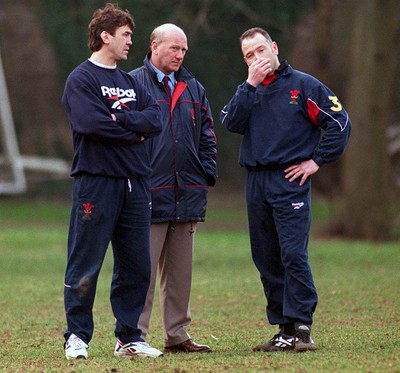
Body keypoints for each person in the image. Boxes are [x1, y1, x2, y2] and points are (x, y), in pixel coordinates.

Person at [220, 27, 351, 353]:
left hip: (289, 181)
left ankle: (302, 326)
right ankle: (284, 328)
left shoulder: (303, 86)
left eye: (260, 50)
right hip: (256, 181)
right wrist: (249, 84)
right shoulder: (249, 90)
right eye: (248, 56)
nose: (256, 59)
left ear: (274, 47)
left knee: (292, 253)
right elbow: (230, 122)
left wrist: (316, 161)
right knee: (265, 256)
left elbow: (339, 123)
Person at [61, 3, 164, 360]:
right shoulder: (82, 79)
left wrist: (124, 120)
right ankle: (77, 336)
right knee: (85, 260)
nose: (130, 43)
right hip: (96, 183)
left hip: (135, 184)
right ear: (105, 36)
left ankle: (128, 337)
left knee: (137, 263)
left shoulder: (131, 82)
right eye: (125, 35)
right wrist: (131, 129)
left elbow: (155, 119)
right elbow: (91, 125)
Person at [129, 23, 217, 353]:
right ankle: (133, 336)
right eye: (173, 48)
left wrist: (205, 170)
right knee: (142, 270)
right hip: (148, 192)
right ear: (154, 46)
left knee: (181, 273)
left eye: (183, 50)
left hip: (188, 192)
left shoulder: (194, 87)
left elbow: (207, 134)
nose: (179, 55)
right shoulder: (133, 83)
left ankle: (177, 335)